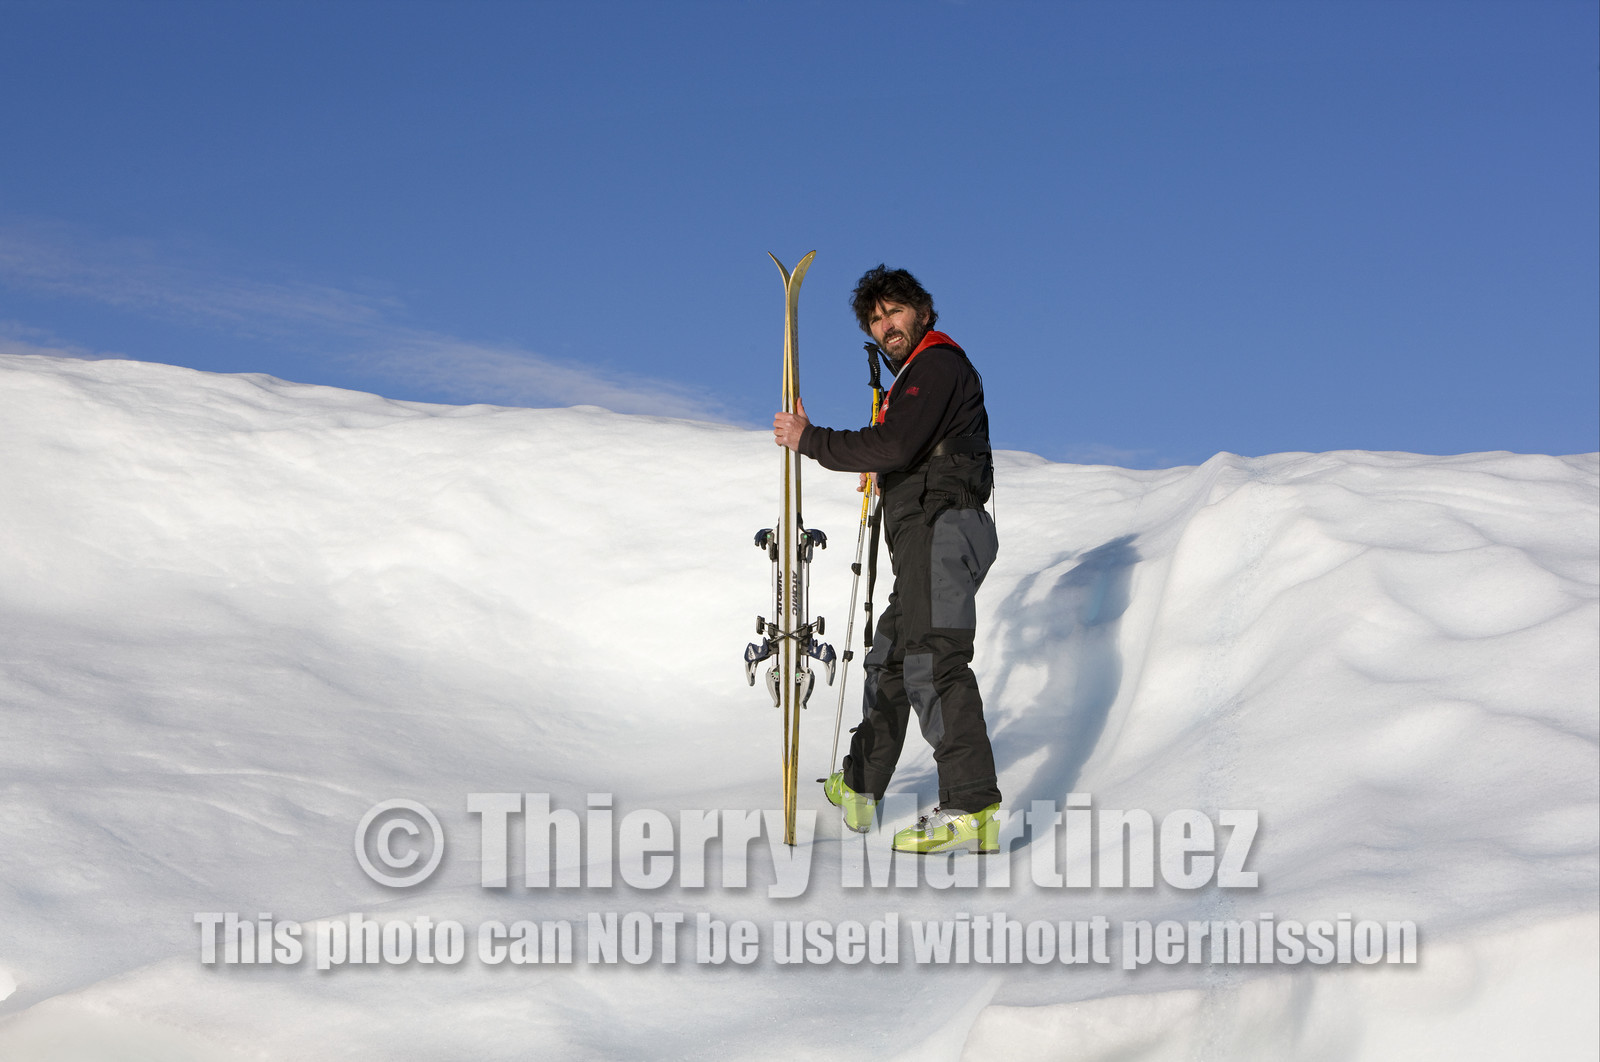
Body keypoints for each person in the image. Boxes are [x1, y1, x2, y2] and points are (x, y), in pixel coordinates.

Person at [772, 265, 1001, 854]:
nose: (885, 325)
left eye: (894, 311)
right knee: (893, 658)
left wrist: (812, 439)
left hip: (942, 529)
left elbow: (897, 444)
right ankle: (860, 784)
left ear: (922, 312)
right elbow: (903, 448)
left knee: (933, 661)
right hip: (928, 533)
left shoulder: (936, 364)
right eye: (874, 319)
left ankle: (971, 808)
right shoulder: (914, 380)